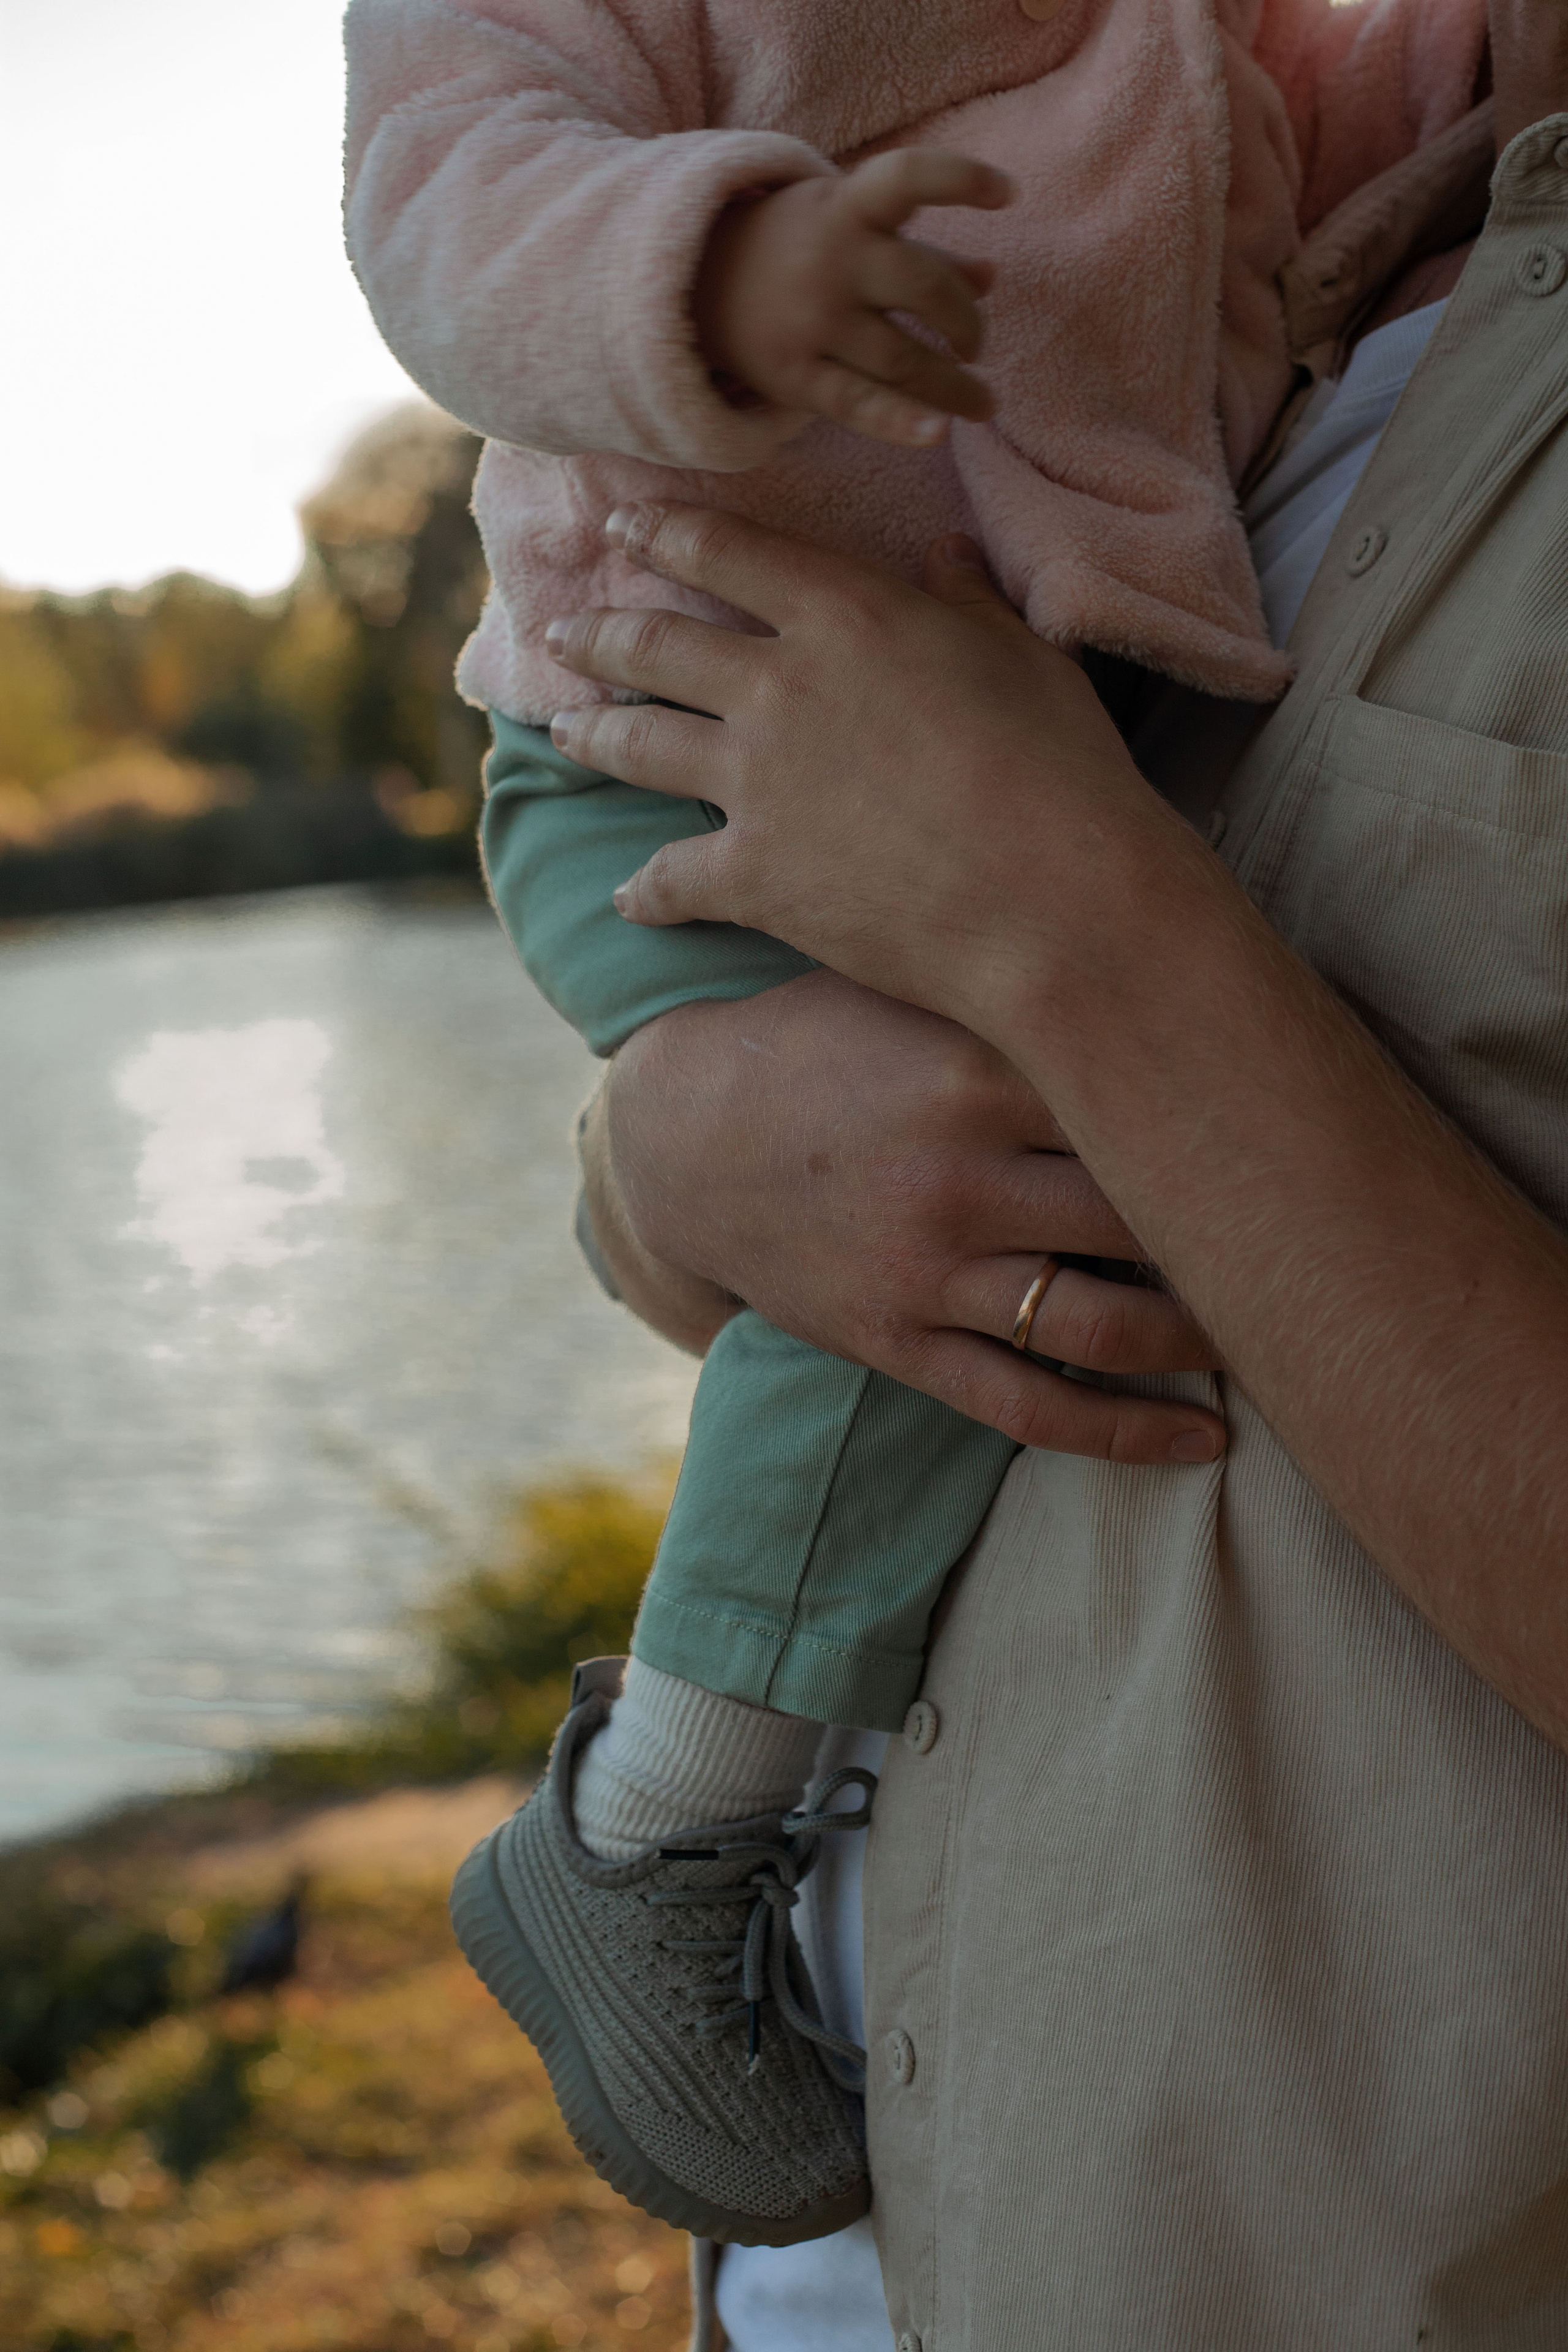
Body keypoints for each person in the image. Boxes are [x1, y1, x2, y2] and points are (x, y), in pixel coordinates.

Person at [346, 0, 1488, 2245]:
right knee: (980, 1162)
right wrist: (717, 270)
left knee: (992, 1166)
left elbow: (1295, 124)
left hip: (1014, 708)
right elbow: (440, 186)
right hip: (671, 704)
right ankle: (653, 1835)